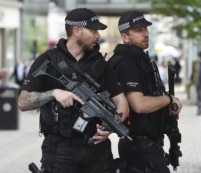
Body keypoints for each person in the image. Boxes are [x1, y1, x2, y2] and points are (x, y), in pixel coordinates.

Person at [18, 8, 129, 173]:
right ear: (77, 31)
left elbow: (121, 102)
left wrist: (111, 128)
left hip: (96, 150)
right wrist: (54, 93)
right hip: (60, 149)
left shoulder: (101, 65)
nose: (98, 36)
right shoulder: (47, 60)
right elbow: (23, 102)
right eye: (93, 30)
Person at [108, 11, 182, 173]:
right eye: (138, 30)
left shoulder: (140, 60)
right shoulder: (126, 63)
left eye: (146, 29)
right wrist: (169, 99)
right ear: (125, 37)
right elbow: (139, 105)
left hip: (148, 144)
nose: (146, 33)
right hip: (139, 146)